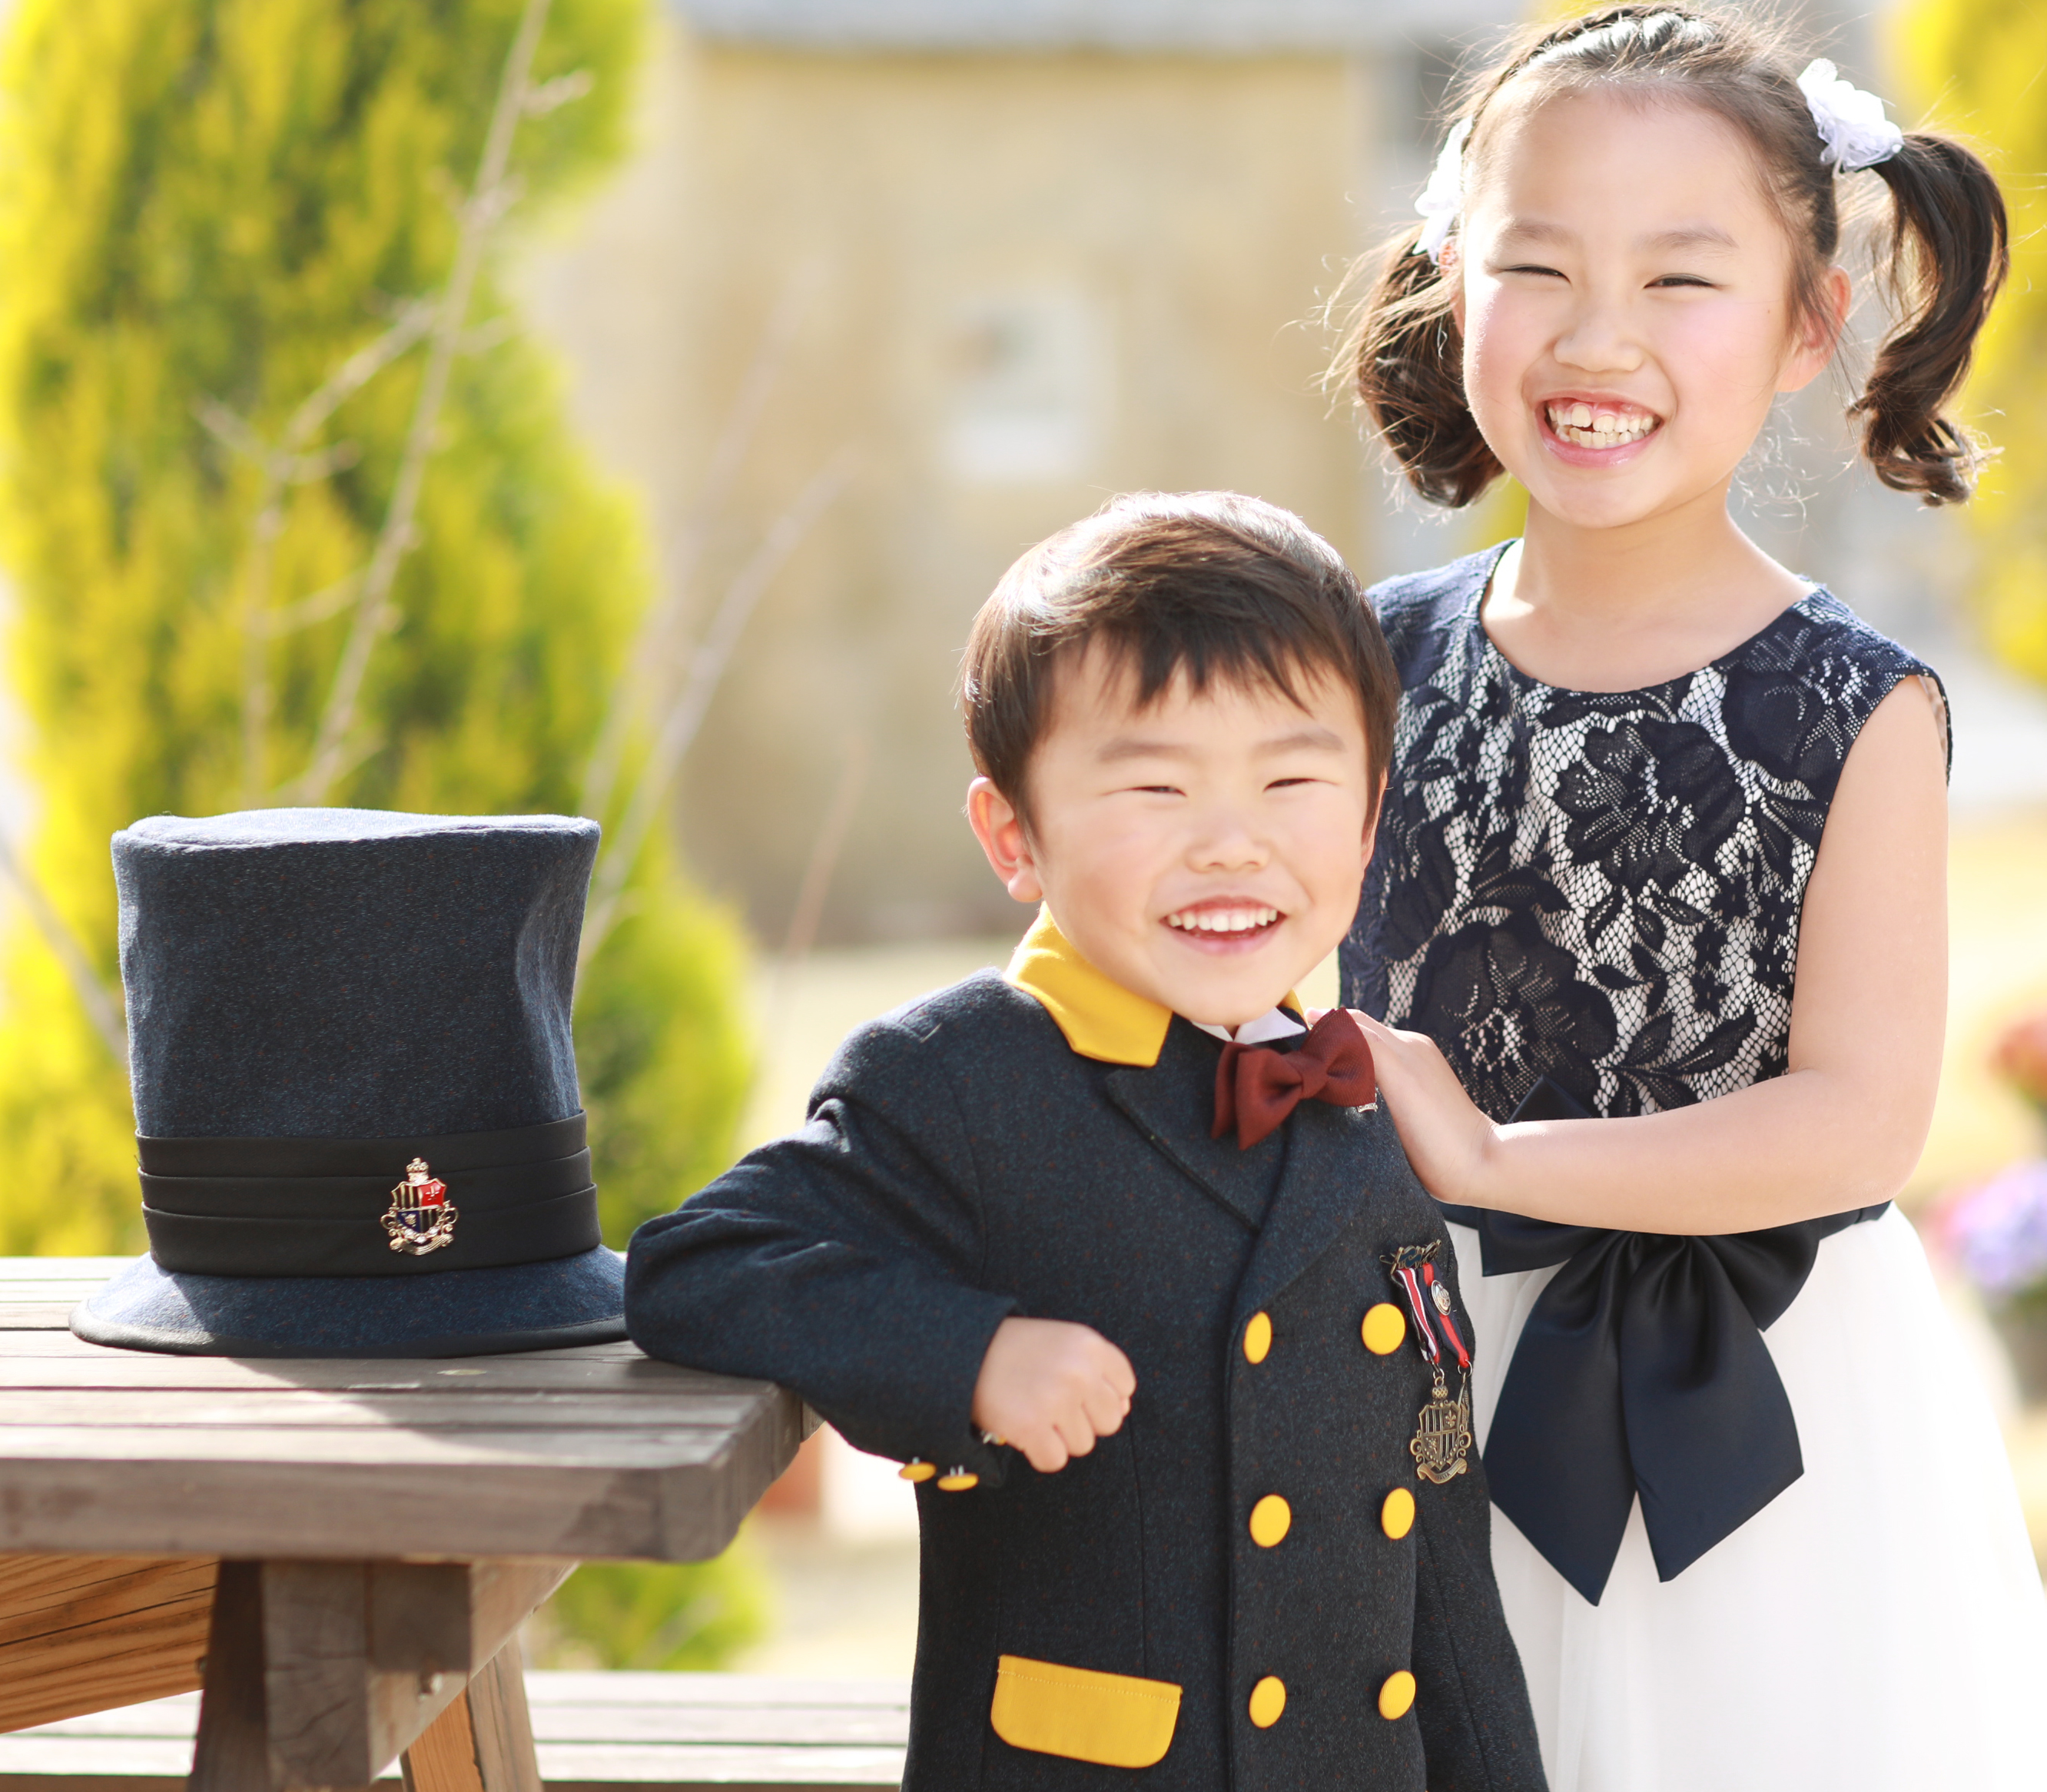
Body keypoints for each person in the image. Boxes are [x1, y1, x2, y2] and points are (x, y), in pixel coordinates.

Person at [1330, 2, 2043, 1790]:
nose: (1596, 336)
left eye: (1678, 279)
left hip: (1754, 1433)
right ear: (1449, 277)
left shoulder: (1851, 707)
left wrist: (1492, 1160)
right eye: (1536, 267)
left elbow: (1857, 1119)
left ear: (1808, 323)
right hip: (1394, 1377)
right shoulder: (1355, 667)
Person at [625, 493, 1548, 1792]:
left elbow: (1443, 1561)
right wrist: (971, 1355)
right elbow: (698, 1264)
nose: (1230, 842)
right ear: (1016, 834)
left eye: (1291, 779)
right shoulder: (962, 1077)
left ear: (1367, 816)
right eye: (1155, 786)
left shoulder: (1358, 1097)